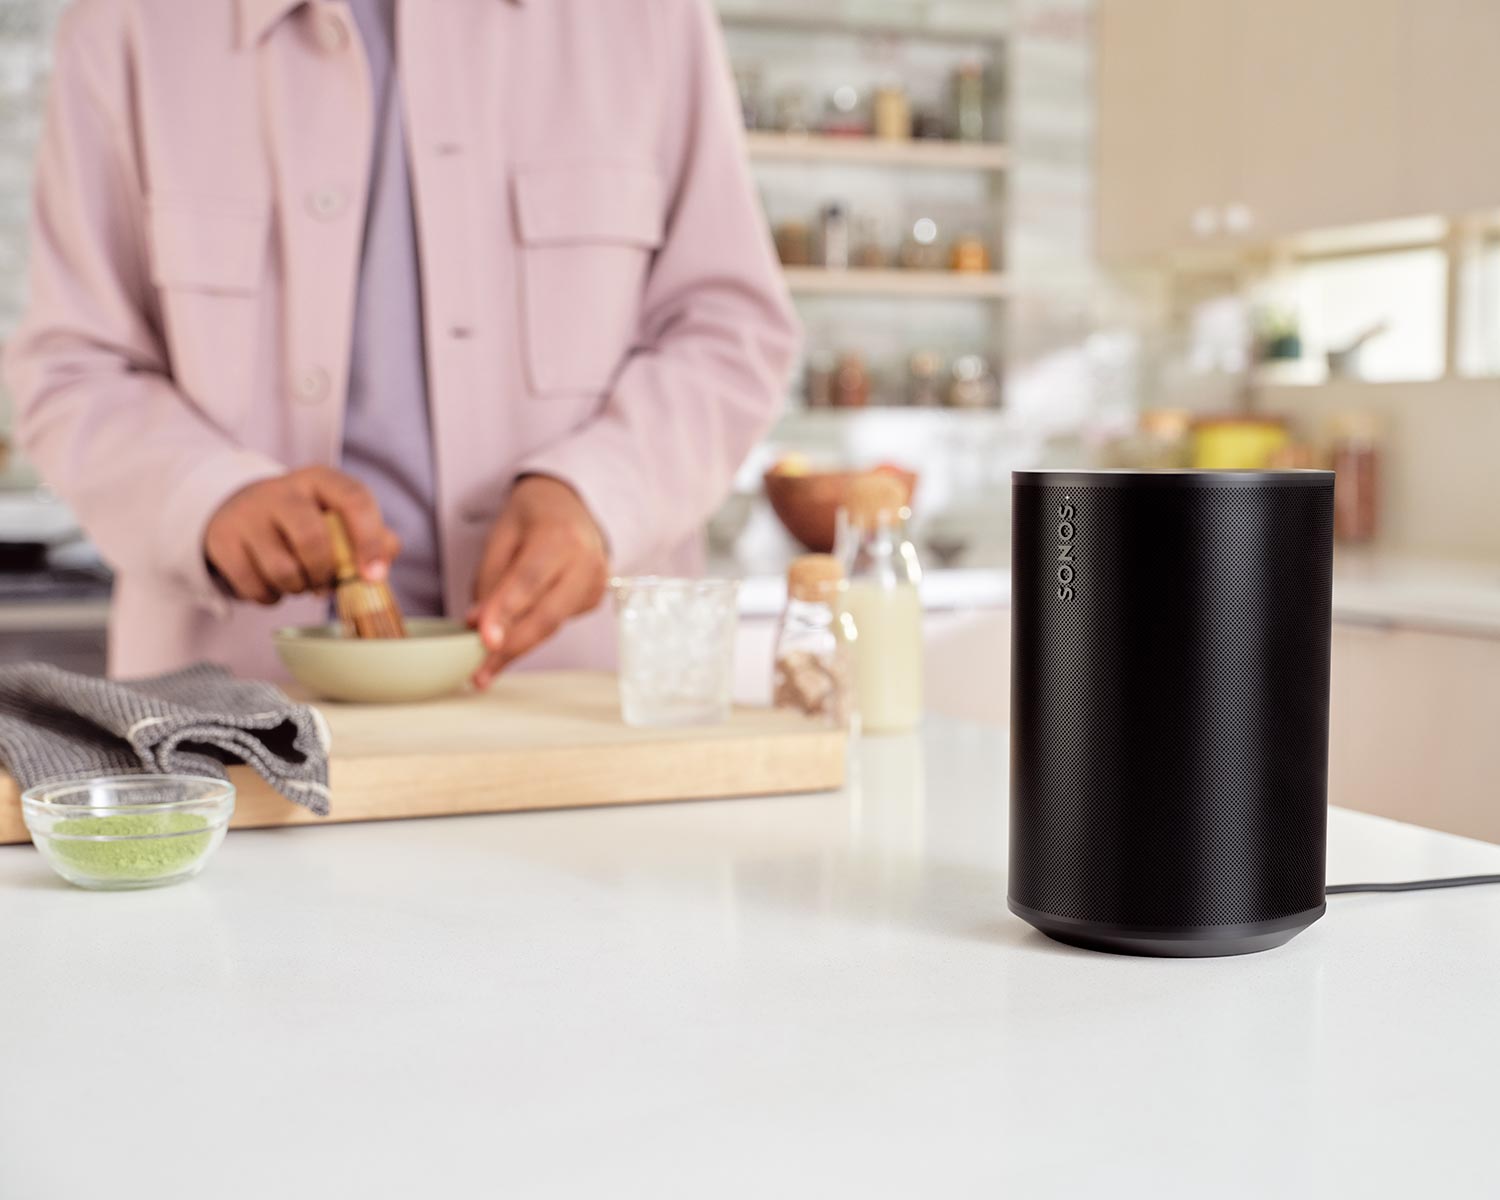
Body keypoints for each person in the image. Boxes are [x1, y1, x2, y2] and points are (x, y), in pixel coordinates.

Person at [4, 0, 798, 685]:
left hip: (573, 709)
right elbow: (73, 367)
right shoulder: (128, 21)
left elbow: (730, 329)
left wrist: (595, 494)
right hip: (229, 719)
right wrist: (206, 499)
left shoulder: (646, 17)